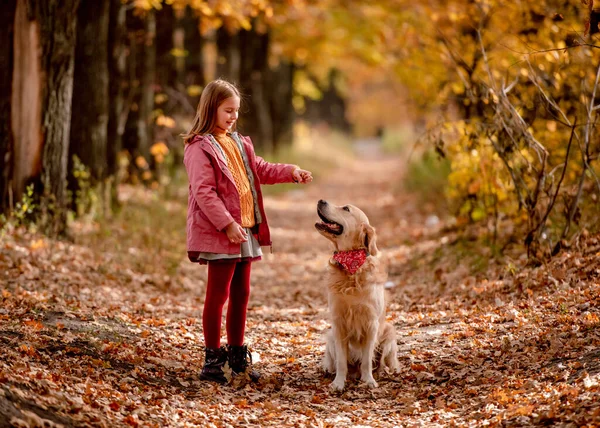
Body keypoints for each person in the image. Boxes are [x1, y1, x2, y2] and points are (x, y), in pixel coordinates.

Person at [182, 79, 312, 383]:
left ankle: (238, 355)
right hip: (221, 231)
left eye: (236, 111)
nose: (233, 117)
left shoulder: (240, 142)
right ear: (211, 108)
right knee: (218, 293)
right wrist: (226, 223)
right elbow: (204, 191)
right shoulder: (199, 147)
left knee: (242, 293)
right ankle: (213, 360)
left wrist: (291, 172)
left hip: (245, 229)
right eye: (228, 110)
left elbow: (261, 169)